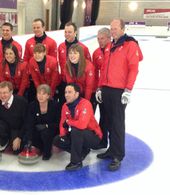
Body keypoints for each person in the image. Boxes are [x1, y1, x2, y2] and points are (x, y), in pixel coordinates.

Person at [95, 18, 143, 171]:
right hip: (107, 89)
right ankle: (111, 149)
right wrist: (100, 88)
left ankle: (117, 155)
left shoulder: (130, 45)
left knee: (117, 124)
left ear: (123, 29)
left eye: (116, 28)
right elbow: (104, 69)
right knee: (108, 121)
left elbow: (134, 68)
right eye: (112, 29)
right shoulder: (110, 46)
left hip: (119, 91)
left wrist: (128, 90)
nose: (113, 31)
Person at [53, 83, 102, 171]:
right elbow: (62, 123)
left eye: (69, 92)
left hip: (94, 136)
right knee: (57, 140)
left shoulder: (86, 104)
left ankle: (76, 162)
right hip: (78, 135)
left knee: (76, 130)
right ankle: (83, 151)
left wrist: (69, 122)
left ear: (77, 94)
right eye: (65, 92)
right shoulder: (65, 106)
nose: (66, 95)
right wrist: (63, 135)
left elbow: (82, 125)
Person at [0, 81, 28, 154]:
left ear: (11, 92)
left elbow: (27, 122)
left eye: (4, 93)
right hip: (4, 127)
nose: (2, 96)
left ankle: (16, 139)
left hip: (17, 128)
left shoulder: (21, 101)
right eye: (0, 93)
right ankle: (4, 141)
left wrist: (19, 137)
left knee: (15, 151)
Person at [57, 22, 92, 105]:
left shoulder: (83, 48)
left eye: (69, 32)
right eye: (65, 32)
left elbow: (87, 65)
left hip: (78, 85)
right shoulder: (61, 47)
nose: (67, 34)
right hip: (64, 82)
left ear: (75, 32)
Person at [23, 18, 58, 103]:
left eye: (38, 27)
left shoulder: (52, 42)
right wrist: (31, 72)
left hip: (48, 78)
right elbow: (26, 59)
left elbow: (54, 61)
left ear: (43, 27)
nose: (36, 30)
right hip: (34, 78)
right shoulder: (29, 42)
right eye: (34, 28)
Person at [25, 84, 60, 160]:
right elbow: (30, 123)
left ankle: (47, 152)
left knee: (46, 133)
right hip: (37, 129)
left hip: (51, 130)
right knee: (27, 135)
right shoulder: (32, 105)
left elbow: (58, 123)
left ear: (48, 96)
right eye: (39, 93)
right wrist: (29, 140)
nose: (40, 96)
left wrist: (47, 125)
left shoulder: (55, 105)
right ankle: (42, 147)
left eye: (44, 94)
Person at [91, 27, 111, 149]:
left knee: (106, 117)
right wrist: (97, 88)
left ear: (109, 38)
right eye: (98, 39)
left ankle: (106, 141)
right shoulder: (96, 53)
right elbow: (95, 73)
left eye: (102, 38)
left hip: (110, 89)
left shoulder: (114, 51)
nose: (100, 41)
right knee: (94, 116)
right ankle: (97, 140)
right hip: (98, 90)